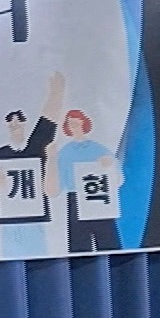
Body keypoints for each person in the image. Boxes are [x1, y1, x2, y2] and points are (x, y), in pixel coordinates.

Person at [0, 72, 67, 257]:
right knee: (10, 257)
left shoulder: (36, 148)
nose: (14, 123)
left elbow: (48, 122)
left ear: (25, 122)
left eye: (18, 119)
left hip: (35, 219)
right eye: (10, 121)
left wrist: (56, 93)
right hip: (7, 222)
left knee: (39, 256)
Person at [53, 108, 125, 253]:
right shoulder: (64, 152)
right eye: (71, 124)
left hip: (100, 197)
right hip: (75, 199)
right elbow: (59, 184)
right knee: (79, 245)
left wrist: (110, 165)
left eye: (77, 123)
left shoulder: (99, 149)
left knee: (108, 242)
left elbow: (118, 179)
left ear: (84, 123)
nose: (74, 127)